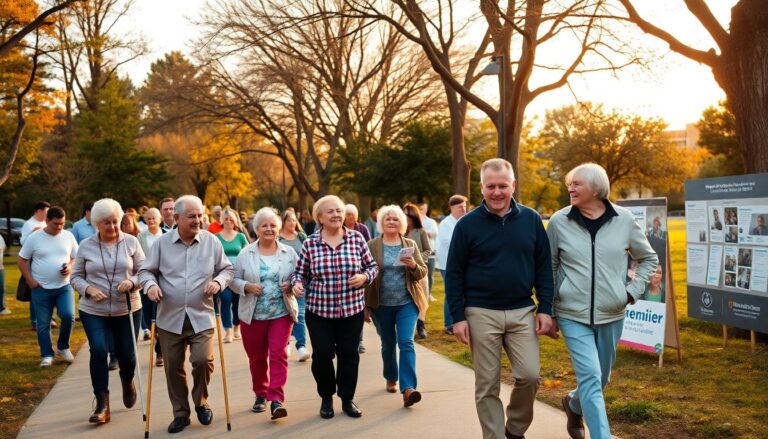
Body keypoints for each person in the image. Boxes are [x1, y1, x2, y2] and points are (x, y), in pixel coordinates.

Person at [547, 163, 658, 439]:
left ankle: (573, 404)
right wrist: (549, 309)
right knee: (591, 377)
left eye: (577, 184)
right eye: (570, 184)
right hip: (572, 313)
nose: (570, 188)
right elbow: (549, 265)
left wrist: (631, 292)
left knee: (601, 378)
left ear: (596, 189)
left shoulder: (624, 219)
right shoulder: (559, 221)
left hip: (612, 312)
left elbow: (648, 258)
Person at [445, 159, 554, 439]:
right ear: (481, 187)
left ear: (513, 185)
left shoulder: (531, 219)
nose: (497, 192)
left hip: (521, 311)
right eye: (490, 186)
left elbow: (543, 266)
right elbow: (454, 273)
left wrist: (546, 308)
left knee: (529, 376)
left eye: (503, 186)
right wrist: (456, 317)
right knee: (487, 384)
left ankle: (515, 429)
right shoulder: (467, 225)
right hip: (480, 312)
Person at [138, 195, 235, 434]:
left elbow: (227, 269)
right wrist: (150, 286)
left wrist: (219, 283)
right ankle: (181, 413)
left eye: (199, 215)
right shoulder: (161, 244)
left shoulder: (211, 242)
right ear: (177, 218)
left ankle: (201, 401)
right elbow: (145, 272)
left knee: (203, 361)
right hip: (169, 318)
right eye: (192, 216)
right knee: (173, 368)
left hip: (202, 315)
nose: (197, 220)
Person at [291, 195, 378, 420]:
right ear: (319, 216)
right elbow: (300, 273)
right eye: (330, 211)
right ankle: (326, 397)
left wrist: (363, 277)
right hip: (320, 311)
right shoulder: (311, 243)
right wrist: (297, 284)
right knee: (322, 354)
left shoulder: (356, 239)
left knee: (349, 355)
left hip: (351, 310)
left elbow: (372, 267)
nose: (336, 215)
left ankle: (347, 398)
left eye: (339, 210)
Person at [70, 198, 146, 424]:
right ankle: (102, 404)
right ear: (96, 224)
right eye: (106, 223)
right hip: (94, 310)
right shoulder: (86, 245)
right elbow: (75, 277)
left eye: (115, 221)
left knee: (127, 355)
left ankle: (127, 378)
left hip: (127, 308)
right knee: (99, 350)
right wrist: (88, 289)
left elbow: (144, 272)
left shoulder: (131, 242)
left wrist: (132, 282)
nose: (112, 227)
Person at [232, 207, 298, 419]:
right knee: (257, 357)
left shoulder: (289, 253)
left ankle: (276, 399)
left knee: (279, 354)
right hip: (253, 314)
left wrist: (292, 284)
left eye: (272, 225)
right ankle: (261, 393)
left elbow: (300, 276)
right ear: (257, 229)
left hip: (281, 312)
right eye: (264, 226)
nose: (269, 229)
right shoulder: (246, 253)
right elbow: (232, 280)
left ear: (278, 228)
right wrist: (246, 287)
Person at [364, 205, 427, 407]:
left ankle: (408, 389)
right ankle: (391, 376)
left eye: (395, 219)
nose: (391, 222)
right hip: (380, 305)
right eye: (387, 219)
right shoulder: (371, 245)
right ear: (381, 222)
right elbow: (363, 273)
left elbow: (422, 272)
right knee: (388, 344)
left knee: (406, 342)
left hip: (406, 302)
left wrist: (413, 265)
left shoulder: (409, 244)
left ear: (402, 223)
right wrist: (364, 306)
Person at [18, 206, 79, 367]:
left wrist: (70, 266)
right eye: (55, 224)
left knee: (68, 316)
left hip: (64, 286)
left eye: (62, 224)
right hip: (40, 288)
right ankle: (46, 354)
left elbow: (75, 257)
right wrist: (30, 280)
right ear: (46, 221)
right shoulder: (35, 237)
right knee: (43, 323)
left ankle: (63, 347)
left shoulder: (68, 236)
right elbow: (22, 260)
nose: (59, 227)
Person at [278, 209, 311, 362]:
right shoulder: (278, 238)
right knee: (286, 314)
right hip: (282, 282)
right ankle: (286, 342)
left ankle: (302, 346)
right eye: (289, 220)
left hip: (300, 280)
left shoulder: (302, 236)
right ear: (283, 222)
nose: (292, 222)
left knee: (300, 313)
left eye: (294, 220)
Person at [435, 194, 468, 335]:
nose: (463, 209)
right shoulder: (446, 223)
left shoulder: (464, 221)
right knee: (451, 293)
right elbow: (448, 242)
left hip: (461, 263)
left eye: (465, 206)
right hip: (446, 264)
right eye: (460, 207)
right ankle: (449, 324)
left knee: (462, 293)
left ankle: (461, 320)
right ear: (452, 208)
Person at [215, 208, 249, 342]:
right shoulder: (216, 237)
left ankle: (236, 327)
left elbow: (247, 252)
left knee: (237, 302)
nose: (228, 221)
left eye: (231, 219)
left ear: (235, 221)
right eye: (226, 219)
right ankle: (227, 330)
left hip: (238, 274)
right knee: (225, 300)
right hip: (222, 274)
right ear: (222, 220)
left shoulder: (240, 236)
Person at [137, 208, 165, 362]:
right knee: (148, 315)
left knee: (162, 314)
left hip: (165, 279)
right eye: (148, 218)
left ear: (159, 219)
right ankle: (157, 338)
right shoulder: (141, 236)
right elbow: (141, 259)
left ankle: (160, 351)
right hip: (148, 279)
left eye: (154, 218)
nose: (151, 221)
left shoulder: (166, 235)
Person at [21, 201, 51, 330]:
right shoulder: (29, 224)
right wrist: (33, 232)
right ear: (38, 211)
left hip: (47, 260)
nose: (47, 214)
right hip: (33, 261)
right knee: (36, 290)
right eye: (46, 211)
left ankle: (49, 318)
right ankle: (35, 321)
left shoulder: (45, 222)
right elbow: (22, 241)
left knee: (48, 289)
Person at [403, 202, 432, 339]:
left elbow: (428, 249)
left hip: (419, 269)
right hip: (403, 271)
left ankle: (421, 325)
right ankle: (408, 325)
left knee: (422, 297)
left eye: (408, 215)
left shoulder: (421, 232)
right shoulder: (400, 232)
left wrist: (419, 259)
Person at [418, 202, 438, 301]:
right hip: (418, 252)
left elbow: (434, 234)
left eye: (423, 209)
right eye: (420, 209)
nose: (422, 210)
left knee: (430, 274)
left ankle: (429, 294)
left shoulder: (431, 222)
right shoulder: (415, 222)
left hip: (430, 252)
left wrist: (423, 233)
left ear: (426, 209)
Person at [0, 234, 7, 315]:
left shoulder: (0, 237)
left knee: (1, 288)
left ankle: (1, 308)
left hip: (0, 267)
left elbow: (3, 248)